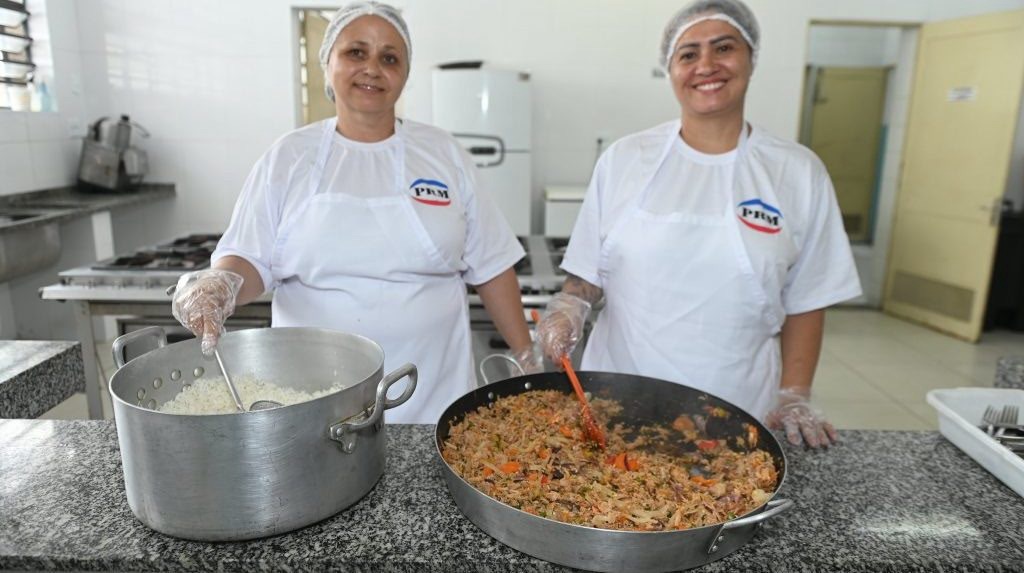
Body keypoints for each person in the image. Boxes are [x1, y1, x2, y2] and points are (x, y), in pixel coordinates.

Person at [171, 1, 536, 423]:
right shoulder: (289, 156)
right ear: (328, 63)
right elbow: (248, 257)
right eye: (356, 52)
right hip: (309, 403)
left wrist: (527, 358)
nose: (372, 69)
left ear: (405, 74)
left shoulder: (443, 154)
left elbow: (492, 265)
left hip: (433, 401)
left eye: (389, 58)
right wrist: (220, 285)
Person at [535, 0, 861, 448]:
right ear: (670, 69)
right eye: (688, 54)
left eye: (724, 48)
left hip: (736, 410)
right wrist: (570, 306)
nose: (706, 65)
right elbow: (588, 273)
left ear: (750, 58)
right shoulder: (626, 159)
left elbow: (808, 298)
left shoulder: (797, 172)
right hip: (616, 402)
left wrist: (794, 395)